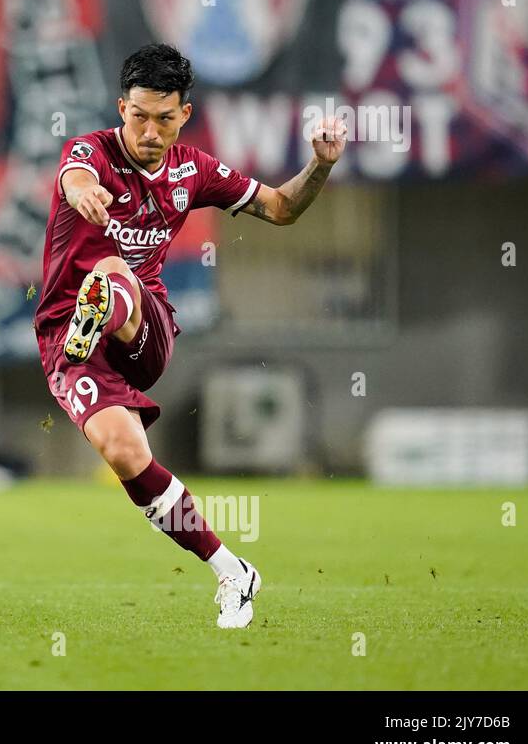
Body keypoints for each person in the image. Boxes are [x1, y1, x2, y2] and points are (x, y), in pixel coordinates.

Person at [34, 43, 347, 628]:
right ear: (121, 107)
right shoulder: (88, 153)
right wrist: (83, 192)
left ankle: (103, 306)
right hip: (64, 337)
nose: (149, 131)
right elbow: (74, 177)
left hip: (142, 327)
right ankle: (232, 571)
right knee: (126, 454)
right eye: (138, 116)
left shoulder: (194, 170)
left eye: (164, 118)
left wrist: (322, 166)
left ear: (184, 114)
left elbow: (281, 208)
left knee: (111, 270)